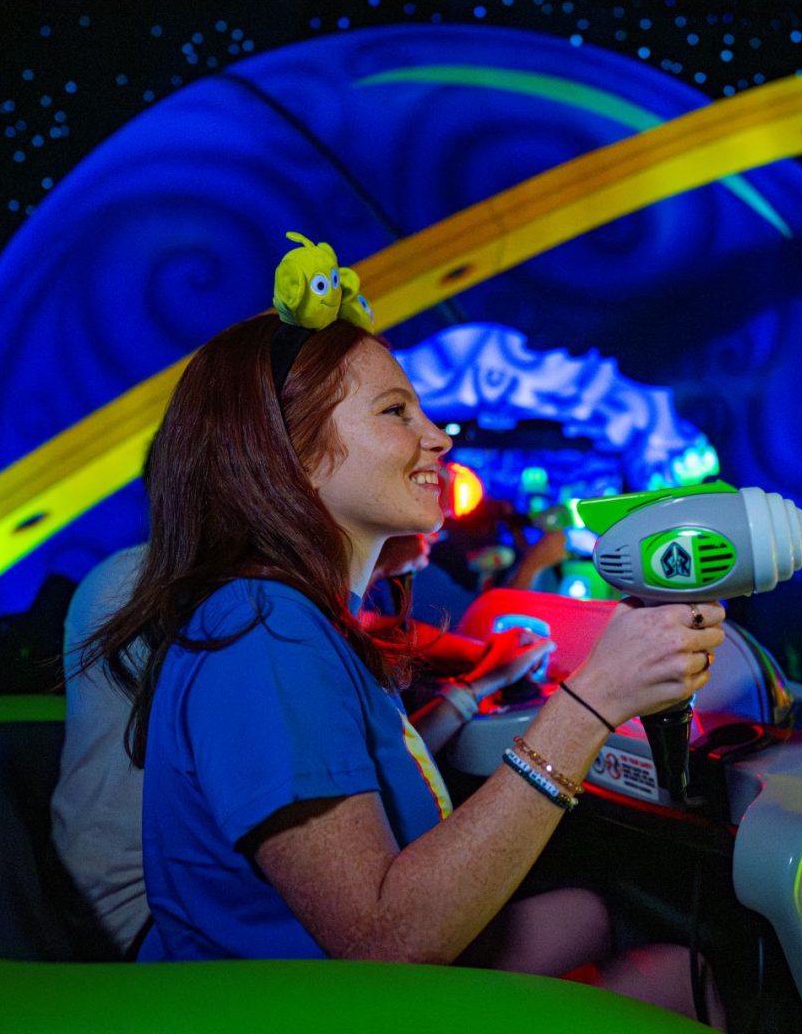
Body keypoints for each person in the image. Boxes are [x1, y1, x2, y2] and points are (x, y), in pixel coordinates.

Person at [79, 308, 727, 1025]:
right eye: (396, 412)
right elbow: (383, 943)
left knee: (591, 914)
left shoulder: (301, 616)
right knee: (682, 979)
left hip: (315, 989)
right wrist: (593, 702)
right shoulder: (263, 630)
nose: (440, 438)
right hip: (303, 1008)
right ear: (288, 454)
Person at [50, 537, 550, 957]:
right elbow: (381, 941)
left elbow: (375, 735)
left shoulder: (270, 603)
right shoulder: (235, 608)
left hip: (200, 887)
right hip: (146, 910)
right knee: (572, 900)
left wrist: (477, 676)